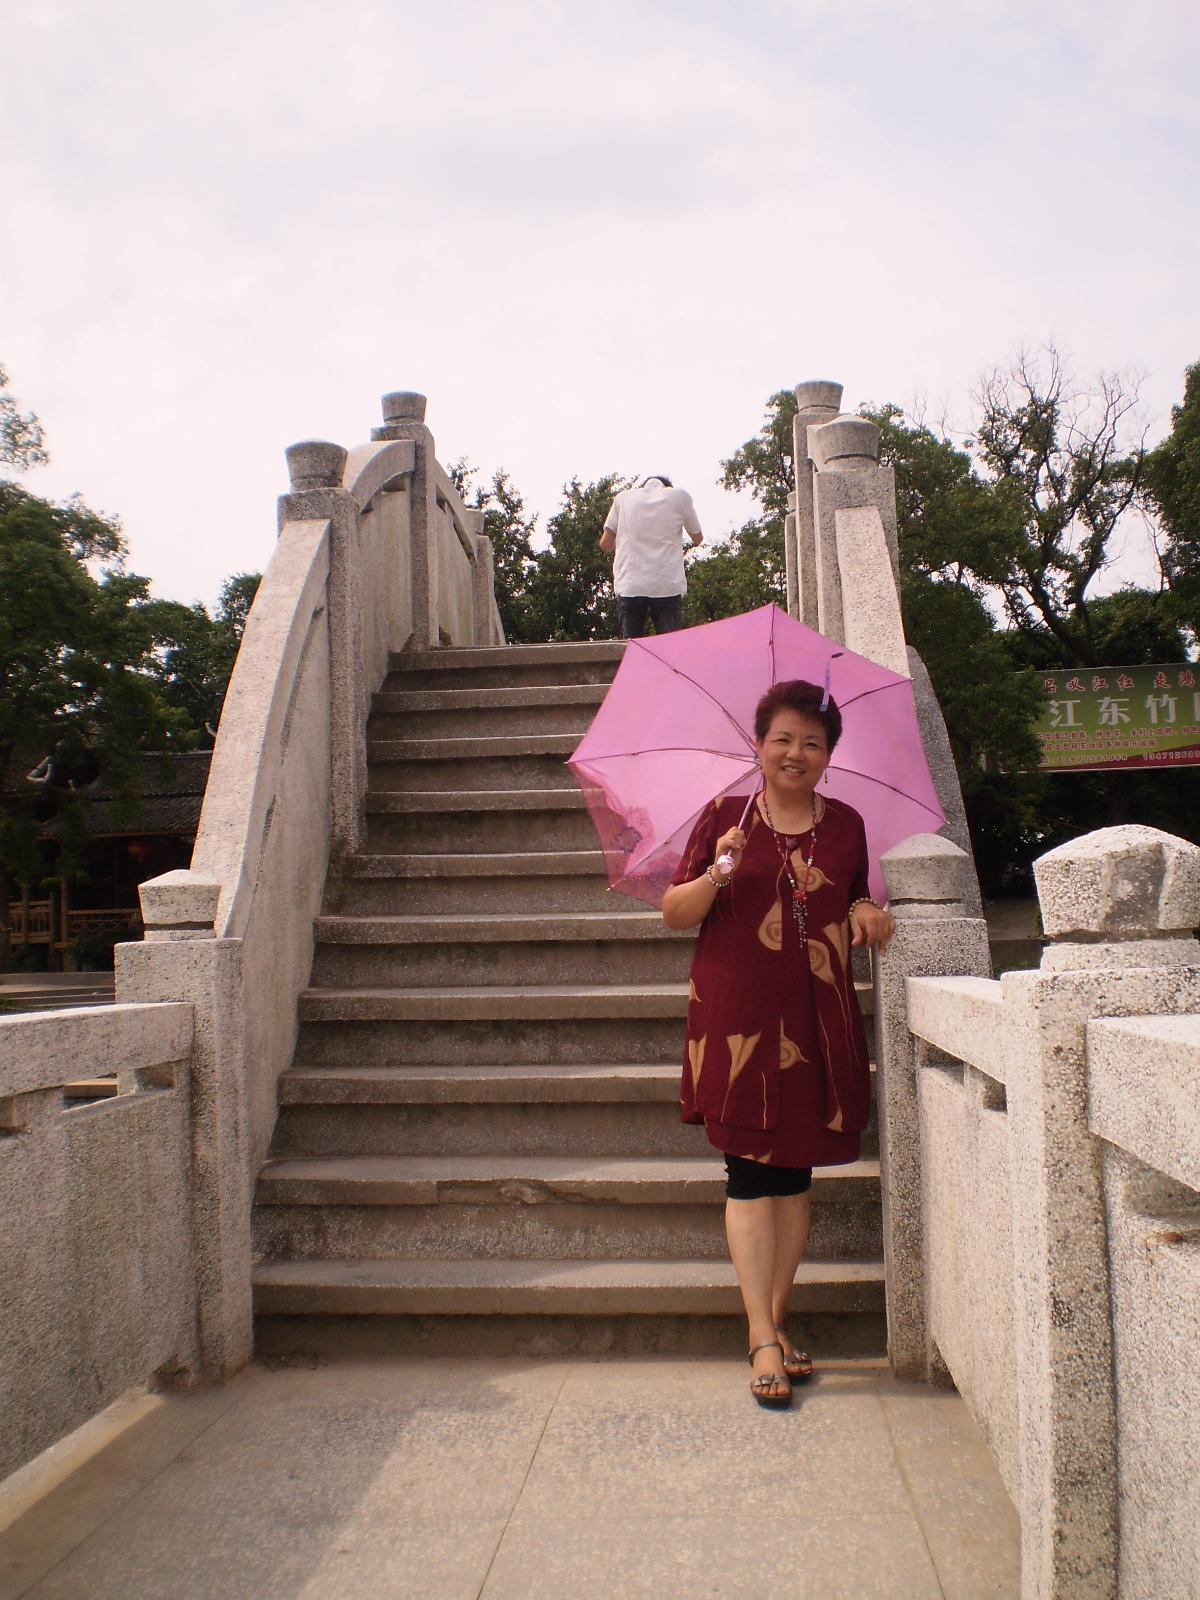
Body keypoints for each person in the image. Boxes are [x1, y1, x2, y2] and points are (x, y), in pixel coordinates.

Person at [661, 678, 895, 1408]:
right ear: (759, 746)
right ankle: (762, 1333)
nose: (796, 753)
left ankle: (776, 1319)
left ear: (828, 754)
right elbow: (675, 913)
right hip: (737, 1016)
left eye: (812, 743)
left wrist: (867, 906)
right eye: (783, 739)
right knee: (748, 1174)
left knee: (795, 1177)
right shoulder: (725, 818)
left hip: (818, 1018)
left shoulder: (849, 824)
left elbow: (854, 894)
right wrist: (718, 870)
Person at [599, 474, 702, 638]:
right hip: (667, 586)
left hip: (630, 586)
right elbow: (697, 538)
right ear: (668, 488)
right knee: (669, 646)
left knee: (632, 646)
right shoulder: (679, 496)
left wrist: (626, 542)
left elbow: (605, 544)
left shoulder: (622, 498)